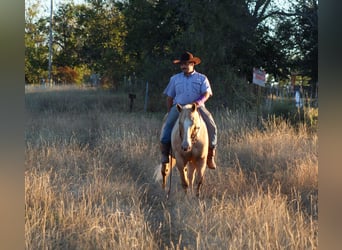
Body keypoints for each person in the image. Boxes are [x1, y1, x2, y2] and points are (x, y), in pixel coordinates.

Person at [160, 51, 218, 169]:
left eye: (186, 63)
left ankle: (210, 154)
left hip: (197, 107)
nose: (183, 66)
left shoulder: (202, 78)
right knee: (167, 126)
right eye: (182, 64)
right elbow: (170, 97)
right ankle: (165, 153)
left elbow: (206, 93)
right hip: (179, 107)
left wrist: (197, 102)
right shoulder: (175, 79)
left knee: (212, 125)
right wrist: (170, 110)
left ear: (192, 64)